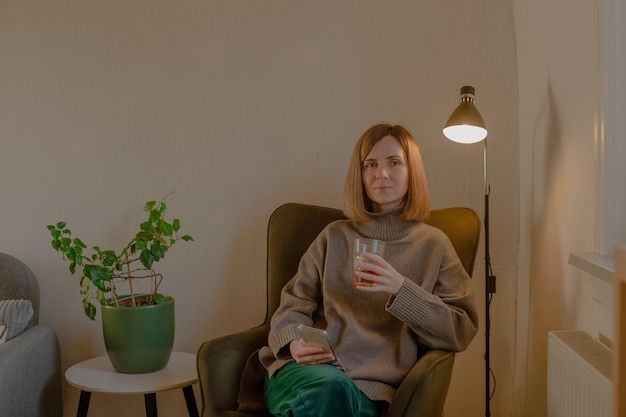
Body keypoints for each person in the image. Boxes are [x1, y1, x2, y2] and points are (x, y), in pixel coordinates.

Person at [259, 123, 479, 417]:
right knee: (328, 389)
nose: (381, 174)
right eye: (370, 164)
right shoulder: (334, 236)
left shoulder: (433, 245)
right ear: (359, 175)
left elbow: (460, 329)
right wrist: (294, 344)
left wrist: (401, 289)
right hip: (307, 372)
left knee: (336, 397)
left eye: (394, 163)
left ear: (412, 171)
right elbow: (292, 305)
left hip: (368, 392)